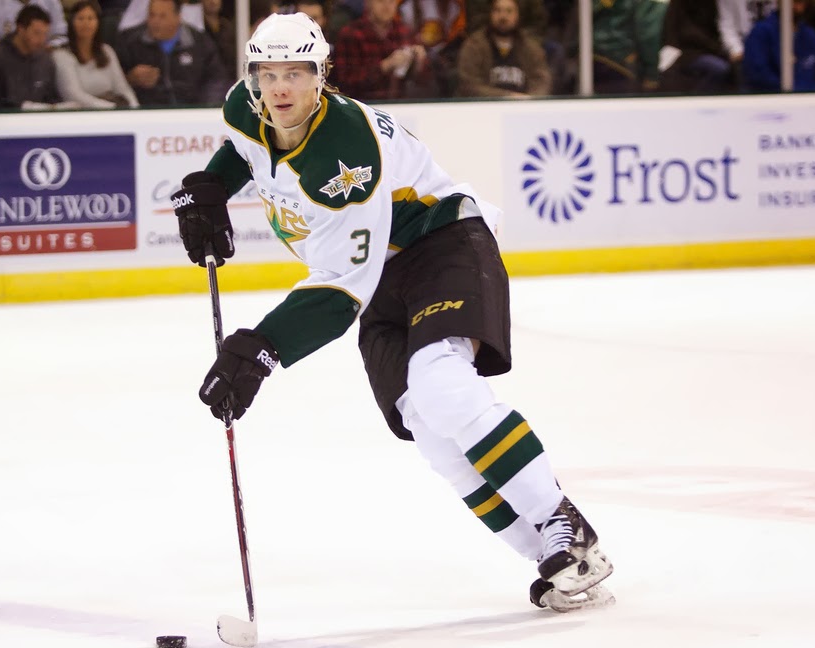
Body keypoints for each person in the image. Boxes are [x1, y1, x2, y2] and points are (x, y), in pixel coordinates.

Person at [169, 11, 615, 612]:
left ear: (322, 75)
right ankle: (550, 558)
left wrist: (261, 349)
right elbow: (243, 150)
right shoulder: (245, 108)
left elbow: (338, 292)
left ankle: (566, 526)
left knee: (441, 386)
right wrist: (212, 187)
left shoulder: (347, 157)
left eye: (295, 73)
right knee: (427, 429)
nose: (280, 88)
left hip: (441, 244)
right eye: (267, 74)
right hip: (378, 274)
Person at [115, 0, 230, 105]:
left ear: (178, 17)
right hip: (147, 113)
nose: (155, 22)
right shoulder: (130, 42)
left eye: (162, 16)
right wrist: (131, 78)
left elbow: (216, 80)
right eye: (152, 15)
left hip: (191, 112)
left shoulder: (200, 43)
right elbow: (114, 82)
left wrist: (204, 108)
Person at [456, 0, 551, 97]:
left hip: (523, 105)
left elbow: (541, 81)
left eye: (509, 11)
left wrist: (531, 99)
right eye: (497, 10)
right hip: (486, 105)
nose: (503, 16)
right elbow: (469, 85)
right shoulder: (474, 46)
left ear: (517, 15)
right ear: (490, 14)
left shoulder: (531, 48)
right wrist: (508, 96)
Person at [54, 0, 140, 107]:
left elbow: (122, 87)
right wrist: (110, 108)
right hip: (84, 112)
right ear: (71, 22)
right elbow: (73, 94)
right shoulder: (62, 55)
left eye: (90, 18)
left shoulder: (107, 50)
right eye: (80, 18)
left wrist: (134, 107)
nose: (86, 23)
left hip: (112, 107)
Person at [0, 4, 70, 108]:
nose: (42, 40)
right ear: (21, 29)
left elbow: (52, 97)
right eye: (37, 33)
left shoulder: (45, 60)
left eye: (45, 34)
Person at [743, 0, 815, 91]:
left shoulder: (810, 35)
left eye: (801, 2)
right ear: (780, 2)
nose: (798, 8)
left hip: (812, 97)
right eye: (794, 2)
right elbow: (758, 75)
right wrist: (794, 91)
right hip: (774, 97)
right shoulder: (761, 32)